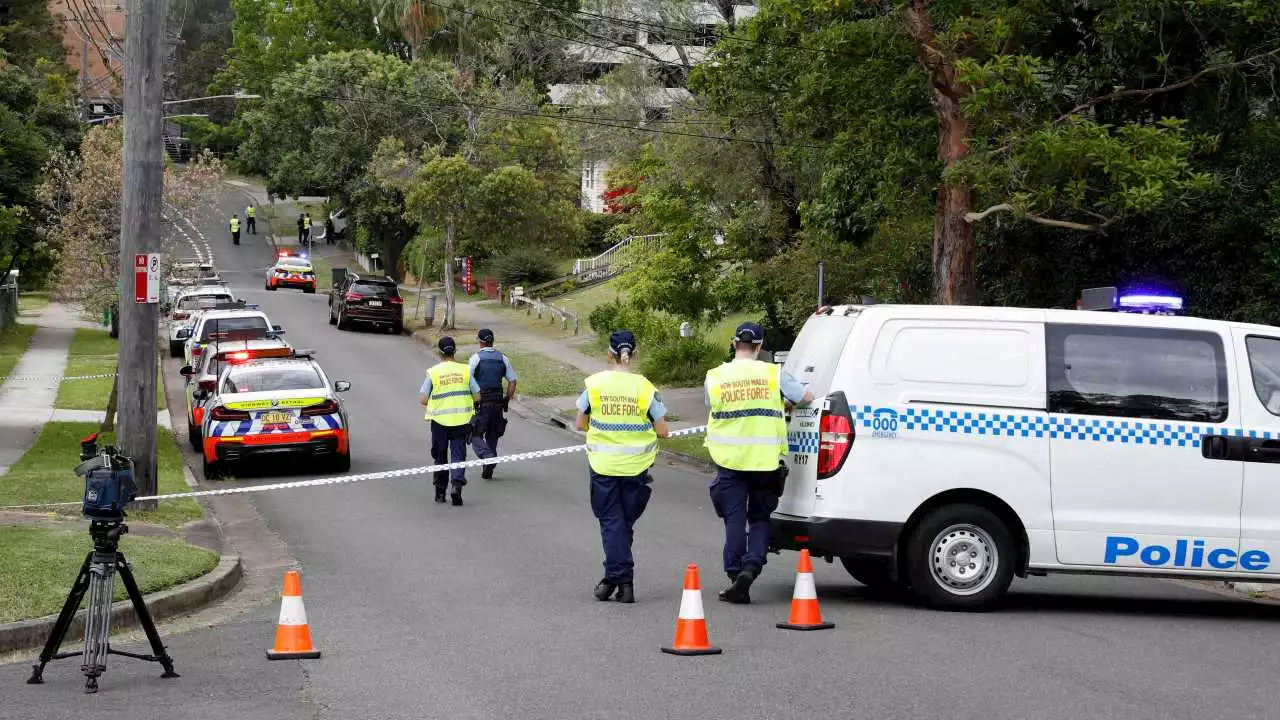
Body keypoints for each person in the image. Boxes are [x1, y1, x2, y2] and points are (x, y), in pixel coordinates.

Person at [704, 321, 813, 604]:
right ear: (760, 346)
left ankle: (734, 573)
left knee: (734, 520)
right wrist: (785, 404)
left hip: (730, 461)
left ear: (733, 342)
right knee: (761, 519)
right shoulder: (773, 373)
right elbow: (805, 398)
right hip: (765, 462)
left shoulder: (715, 376)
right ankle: (752, 568)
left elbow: (713, 406)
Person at [575, 330, 669, 604]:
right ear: (634, 354)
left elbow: (580, 424)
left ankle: (619, 580)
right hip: (636, 468)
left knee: (612, 523)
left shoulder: (594, 385)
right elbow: (662, 430)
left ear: (609, 354)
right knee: (622, 524)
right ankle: (615, 580)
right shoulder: (645, 388)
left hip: (603, 466)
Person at [419, 337, 475, 506]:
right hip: (461, 421)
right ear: (455, 351)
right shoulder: (466, 370)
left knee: (440, 456)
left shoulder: (434, 372)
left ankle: (440, 493)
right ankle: (456, 487)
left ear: (439, 352)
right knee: (458, 455)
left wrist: (439, 404)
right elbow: (478, 395)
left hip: (439, 423)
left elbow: (423, 399)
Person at [468, 328, 517, 480]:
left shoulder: (475, 358)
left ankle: (486, 455)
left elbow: (467, 380)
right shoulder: (503, 358)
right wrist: (507, 399)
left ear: (480, 342)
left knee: (475, 433)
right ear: (492, 341)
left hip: (482, 399)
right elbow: (512, 381)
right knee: (493, 434)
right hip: (497, 400)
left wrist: (473, 399)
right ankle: (489, 465)